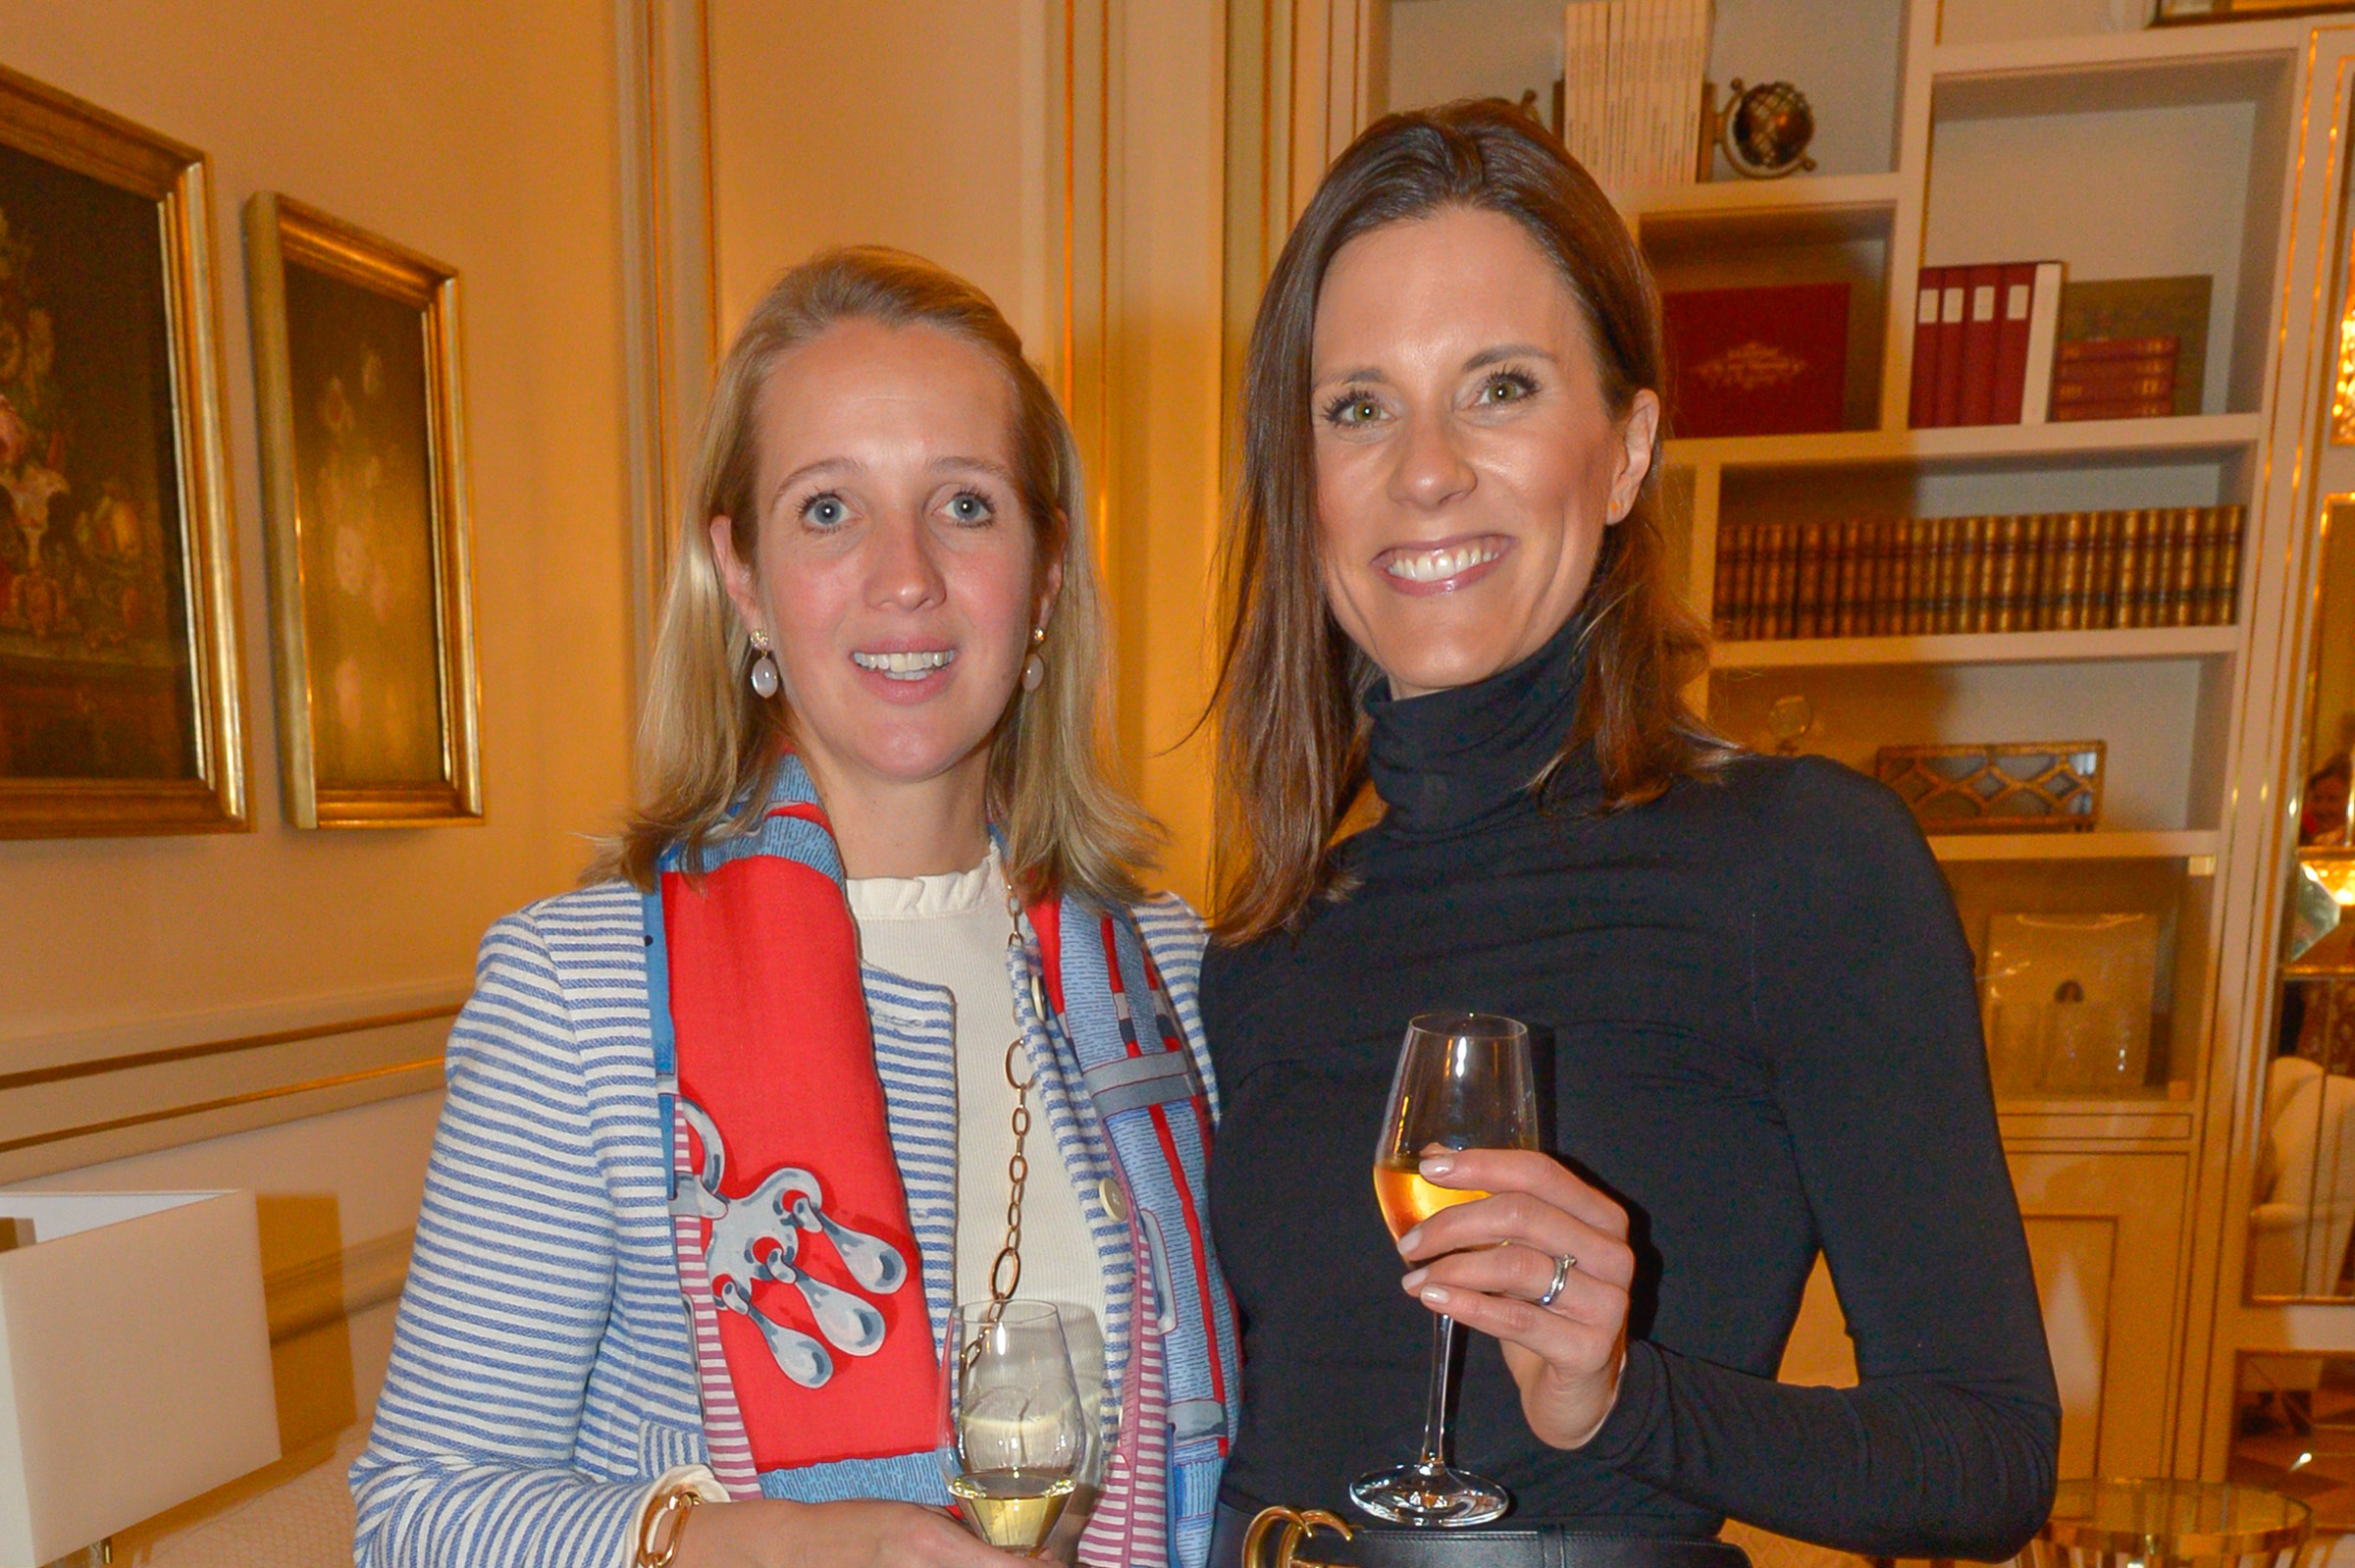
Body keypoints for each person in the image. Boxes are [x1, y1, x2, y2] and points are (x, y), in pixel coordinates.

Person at [1201, 102, 2059, 1567]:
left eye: (1500, 388)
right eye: (1358, 407)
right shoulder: (1264, 936)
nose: (1425, 469)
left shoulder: (1804, 866)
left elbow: (1986, 1458)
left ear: (1625, 450)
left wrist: (1617, 1399)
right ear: (1304, 483)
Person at [350, 247, 1237, 1568]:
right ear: (744, 575)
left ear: (1047, 571)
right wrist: (778, 1546)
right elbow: (417, 1516)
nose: (905, 574)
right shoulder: (579, 990)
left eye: (966, 504)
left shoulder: (1167, 974)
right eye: (829, 509)